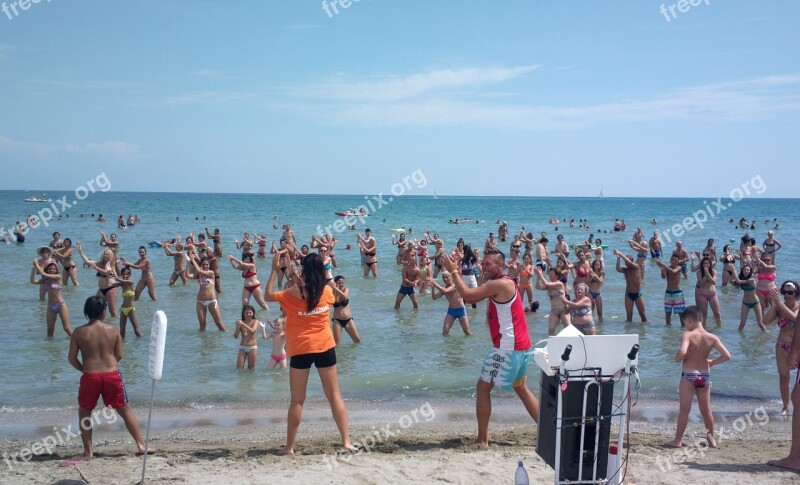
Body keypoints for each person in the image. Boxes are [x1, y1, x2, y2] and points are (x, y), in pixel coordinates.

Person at [439, 248, 539, 448]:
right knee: (520, 388)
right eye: (482, 263)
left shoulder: (500, 284)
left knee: (483, 387)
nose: (483, 267)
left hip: (507, 348)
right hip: (520, 345)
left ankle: (482, 440)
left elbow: (468, 296)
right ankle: (549, 430)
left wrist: (454, 271)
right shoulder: (506, 282)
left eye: (488, 264)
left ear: (500, 266)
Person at [264, 252, 356, 455]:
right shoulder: (327, 292)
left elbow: (267, 295)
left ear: (304, 271)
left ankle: (289, 448)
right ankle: (346, 442)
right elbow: (317, 291)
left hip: (301, 350)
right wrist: (295, 272)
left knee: (297, 400)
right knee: (334, 396)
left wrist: (274, 270)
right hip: (325, 347)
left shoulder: (292, 293)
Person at [67, 296, 153, 460]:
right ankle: (141, 445)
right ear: (104, 312)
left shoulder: (79, 332)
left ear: (86, 312)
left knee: (85, 413)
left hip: (90, 376)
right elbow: (119, 354)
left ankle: (88, 452)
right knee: (124, 409)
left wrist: (85, 370)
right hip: (112, 375)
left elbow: (71, 358)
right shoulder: (113, 330)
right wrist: (110, 367)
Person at [664, 306, 731, 449]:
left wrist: (677, 359)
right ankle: (711, 440)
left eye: (685, 323)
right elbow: (727, 356)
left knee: (684, 409)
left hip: (688, 375)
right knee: (706, 409)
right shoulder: (712, 337)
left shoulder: (688, 335)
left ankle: (677, 441)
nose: (686, 326)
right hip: (704, 375)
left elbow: (682, 351)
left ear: (688, 320)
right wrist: (712, 362)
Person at [763, 281, 800, 416]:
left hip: (798, 347)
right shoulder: (779, 306)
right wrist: (774, 305)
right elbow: (765, 321)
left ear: (796, 293)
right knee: (784, 378)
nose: (787, 295)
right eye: (784, 292)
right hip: (782, 346)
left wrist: (779, 304)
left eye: (790, 292)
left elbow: (796, 319)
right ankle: (786, 406)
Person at [185, 253, 226, 331]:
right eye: (203, 265)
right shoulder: (199, 274)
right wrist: (188, 262)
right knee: (202, 325)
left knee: (219, 324)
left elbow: (199, 270)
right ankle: (203, 342)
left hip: (212, 301)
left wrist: (193, 260)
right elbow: (187, 275)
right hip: (200, 301)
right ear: (201, 265)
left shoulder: (211, 273)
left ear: (209, 265)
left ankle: (225, 338)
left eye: (206, 264)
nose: (205, 266)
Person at [31, 259, 73, 337]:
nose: (52, 270)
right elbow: (32, 281)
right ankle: (50, 348)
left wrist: (37, 264)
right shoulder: (45, 280)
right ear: (47, 269)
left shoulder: (58, 277)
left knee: (66, 328)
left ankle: (77, 340)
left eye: (54, 269)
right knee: (50, 330)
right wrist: (33, 268)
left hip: (60, 305)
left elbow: (43, 273)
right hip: (50, 306)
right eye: (50, 269)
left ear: (56, 270)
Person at [429, 271, 472, 336]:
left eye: (447, 277)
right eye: (443, 278)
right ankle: (447, 345)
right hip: (451, 311)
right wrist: (433, 287)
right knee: (445, 330)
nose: (445, 279)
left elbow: (445, 291)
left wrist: (434, 283)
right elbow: (434, 297)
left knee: (466, 331)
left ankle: (473, 344)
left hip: (461, 310)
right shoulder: (445, 288)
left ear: (451, 277)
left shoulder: (455, 285)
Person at [730, 264, 765, 331]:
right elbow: (731, 282)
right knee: (742, 323)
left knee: (760, 323)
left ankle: (765, 335)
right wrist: (732, 272)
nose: (746, 271)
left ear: (750, 271)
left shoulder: (752, 279)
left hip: (755, 302)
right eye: (744, 270)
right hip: (745, 303)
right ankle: (739, 339)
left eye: (748, 270)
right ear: (742, 271)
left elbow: (739, 281)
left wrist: (734, 271)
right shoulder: (741, 279)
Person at [614, 251, 647, 322]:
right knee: (629, 315)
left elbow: (628, 262)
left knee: (642, 315)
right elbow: (618, 269)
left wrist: (620, 253)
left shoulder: (636, 266)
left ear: (631, 260)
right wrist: (618, 258)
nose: (626, 262)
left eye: (628, 259)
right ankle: (629, 331)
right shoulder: (625, 270)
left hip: (638, 294)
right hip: (628, 294)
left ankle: (644, 331)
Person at [655, 256, 685, 326]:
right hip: (668, 292)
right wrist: (662, 269)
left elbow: (673, 272)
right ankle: (668, 329)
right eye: (673, 260)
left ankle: (683, 327)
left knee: (681, 313)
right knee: (667, 313)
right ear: (670, 260)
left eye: (676, 260)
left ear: (677, 262)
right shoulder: (667, 268)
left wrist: (662, 265)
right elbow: (663, 277)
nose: (674, 261)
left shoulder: (679, 268)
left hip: (677, 292)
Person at [331, 275, 361, 344]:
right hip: (337, 320)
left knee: (357, 340)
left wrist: (337, 289)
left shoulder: (346, 289)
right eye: (339, 283)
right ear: (335, 283)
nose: (341, 284)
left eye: (342, 283)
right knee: (336, 342)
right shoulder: (333, 292)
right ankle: (340, 354)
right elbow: (333, 301)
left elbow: (345, 297)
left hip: (348, 319)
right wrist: (335, 290)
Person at [116, 266, 143, 338]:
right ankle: (122, 346)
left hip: (131, 309)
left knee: (137, 331)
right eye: (123, 274)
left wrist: (114, 274)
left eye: (127, 274)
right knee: (121, 331)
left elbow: (118, 279)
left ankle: (142, 344)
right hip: (122, 309)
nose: (125, 276)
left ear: (130, 275)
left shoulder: (131, 282)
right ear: (121, 274)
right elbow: (111, 285)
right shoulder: (122, 284)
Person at [234, 305, 261, 370]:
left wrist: (242, 324)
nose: (248, 314)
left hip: (252, 347)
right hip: (242, 347)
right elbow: (235, 336)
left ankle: (250, 380)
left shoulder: (256, 321)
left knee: (251, 369)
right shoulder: (241, 322)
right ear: (243, 313)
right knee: (239, 369)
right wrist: (237, 326)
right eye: (246, 313)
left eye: (250, 313)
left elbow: (252, 331)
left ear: (253, 313)